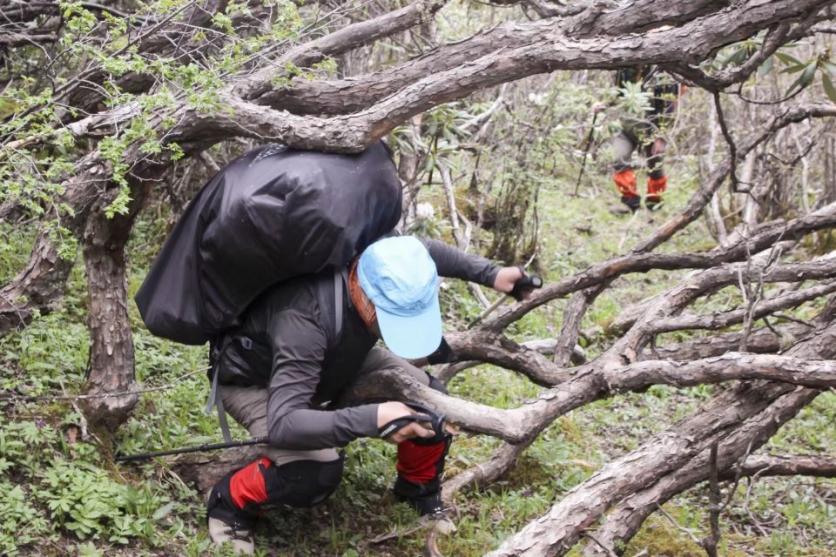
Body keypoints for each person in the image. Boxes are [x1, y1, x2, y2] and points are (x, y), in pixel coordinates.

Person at [204, 235, 535, 554]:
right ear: (362, 295)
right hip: (257, 382)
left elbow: (423, 250)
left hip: (337, 357)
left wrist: (491, 273)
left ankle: (416, 490)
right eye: (390, 319)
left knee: (429, 399)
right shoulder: (303, 319)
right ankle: (230, 502)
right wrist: (373, 418)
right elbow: (285, 423)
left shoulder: (375, 253)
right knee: (314, 472)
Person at [608, 65, 682, 212]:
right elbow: (618, 94)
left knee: (655, 167)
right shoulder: (624, 68)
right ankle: (630, 202)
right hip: (626, 126)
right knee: (619, 160)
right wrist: (604, 104)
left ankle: (654, 202)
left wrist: (661, 137)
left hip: (653, 130)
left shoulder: (662, 73)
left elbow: (670, 106)